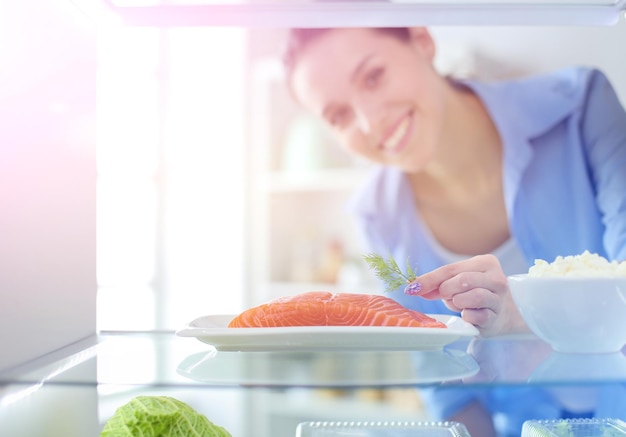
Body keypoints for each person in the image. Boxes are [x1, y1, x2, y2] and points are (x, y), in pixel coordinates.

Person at [282, 27, 626, 437]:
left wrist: (524, 313)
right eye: (339, 116)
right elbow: (445, 388)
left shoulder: (580, 107)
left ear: (421, 40)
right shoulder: (377, 216)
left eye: (374, 76)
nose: (370, 122)